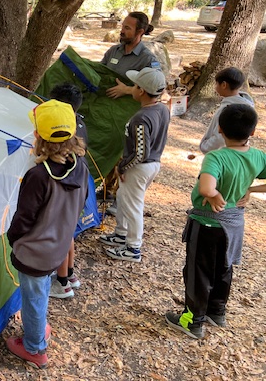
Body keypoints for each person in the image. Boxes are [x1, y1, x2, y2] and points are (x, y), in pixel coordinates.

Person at [165, 104, 266, 339]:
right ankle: (216, 311)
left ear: (220, 129)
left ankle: (192, 320)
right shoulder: (258, 156)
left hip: (207, 224)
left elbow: (206, 187)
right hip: (234, 225)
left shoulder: (217, 157)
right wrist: (252, 188)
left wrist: (213, 194)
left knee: (198, 272)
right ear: (252, 132)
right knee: (224, 266)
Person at [6, 100, 89, 368]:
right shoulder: (81, 166)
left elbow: (24, 219)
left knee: (33, 297)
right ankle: (39, 327)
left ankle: (34, 348)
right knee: (39, 291)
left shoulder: (39, 176)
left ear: (37, 136)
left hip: (34, 253)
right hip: (59, 246)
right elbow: (82, 200)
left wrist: (14, 239)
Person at [98, 67, 170, 262]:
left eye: (136, 85)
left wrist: (123, 166)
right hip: (152, 164)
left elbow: (140, 152)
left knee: (133, 206)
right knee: (124, 198)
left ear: (142, 91)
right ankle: (121, 233)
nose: (133, 88)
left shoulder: (141, 118)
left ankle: (133, 247)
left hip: (139, 167)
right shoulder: (162, 109)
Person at [47, 83, 87, 298]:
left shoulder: (64, 128)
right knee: (68, 230)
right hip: (79, 187)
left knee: (61, 233)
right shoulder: (80, 123)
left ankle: (62, 282)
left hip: (67, 186)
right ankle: (70, 274)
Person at [100, 12, 161, 99]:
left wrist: (127, 90)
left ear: (140, 32)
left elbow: (157, 87)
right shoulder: (113, 51)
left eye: (127, 28)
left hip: (128, 108)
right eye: (122, 26)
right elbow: (99, 71)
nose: (122, 31)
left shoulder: (148, 58)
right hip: (104, 101)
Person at [200, 67, 254, 154]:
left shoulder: (228, 110)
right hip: (240, 152)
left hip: (223, 155)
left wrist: (205, 147)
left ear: (224, 85)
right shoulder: (247, 105)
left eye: (216, 84)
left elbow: (220, 137)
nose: (215, 87)